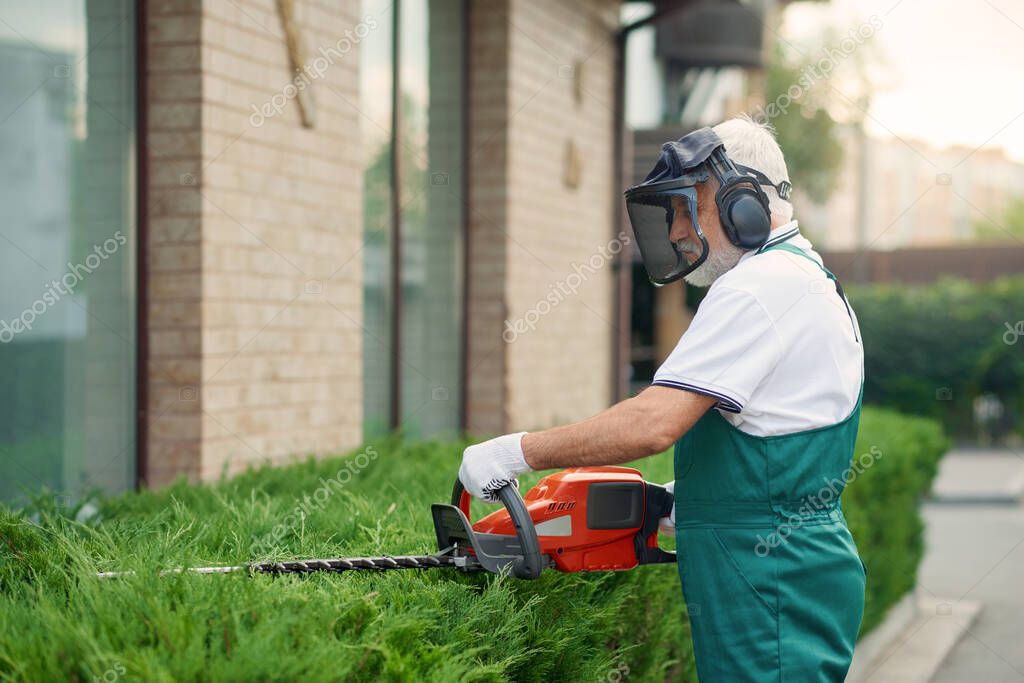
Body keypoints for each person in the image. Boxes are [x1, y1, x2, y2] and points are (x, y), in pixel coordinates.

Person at [459, 115, 867, 682]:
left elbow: (654, 422)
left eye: (683, 207)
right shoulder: (804, 276)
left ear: (740, 199)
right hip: (786, 567)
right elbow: (784, 436)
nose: (675, 231)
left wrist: (514, 453)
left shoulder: (757, 288)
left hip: (766, 579)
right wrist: (690, 500)